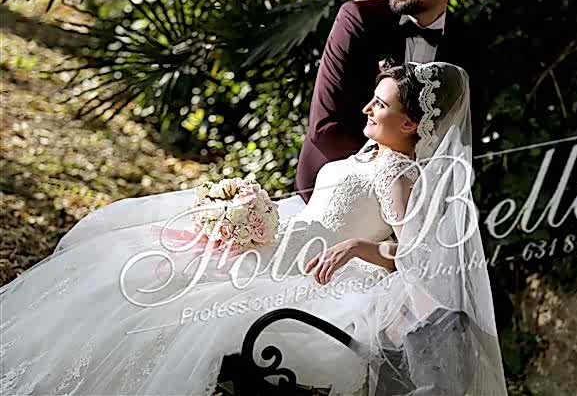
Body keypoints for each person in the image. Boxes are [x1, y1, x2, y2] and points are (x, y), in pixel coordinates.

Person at [0, 62, 506, 396]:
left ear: (412, 124)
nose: (367, 108)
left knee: (177, 307)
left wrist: (357, 246)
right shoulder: (374, 152)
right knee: (147, 266)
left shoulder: (398, 173)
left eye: (381, 105)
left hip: (300, 270)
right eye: (373, 99)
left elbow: (414, 255)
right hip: (281, 241)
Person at [295, 0, 484, 203]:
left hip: (419, 199)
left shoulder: (467, 44)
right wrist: (392, 184)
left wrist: (421, 197)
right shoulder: (357, 18)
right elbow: (326, 126)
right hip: (335, 188)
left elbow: (463, 138)